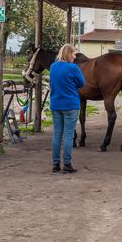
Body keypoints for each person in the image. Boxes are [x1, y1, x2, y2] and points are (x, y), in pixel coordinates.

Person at [49, 43, 85, 174]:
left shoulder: (53, 67)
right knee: (69, 135)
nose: (75, 57)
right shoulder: (73, 68)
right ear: (68, 54)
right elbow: (82, 83)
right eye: (74, 54)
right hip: (70, 104)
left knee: (57, 134)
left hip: (55, 104)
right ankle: (67, 164)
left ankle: (55, 164)